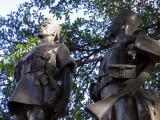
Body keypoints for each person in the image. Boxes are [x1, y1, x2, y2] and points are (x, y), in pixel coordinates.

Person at [87, 11, 160, 120]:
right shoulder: (110, 51)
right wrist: (96, 89)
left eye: (114, 21)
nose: (110, 25)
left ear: (122, 25)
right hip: (106, 99)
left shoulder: (133, 44)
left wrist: (131, 39)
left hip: (124, 95)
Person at [8, 18, 75, 120]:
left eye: (45, 25)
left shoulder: (59, 47)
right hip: (21, 93)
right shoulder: (28, 54)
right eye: (41, 25)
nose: (41, 27)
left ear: (54, 32)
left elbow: (67, 73)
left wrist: (64, 100)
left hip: (42, 92)